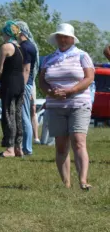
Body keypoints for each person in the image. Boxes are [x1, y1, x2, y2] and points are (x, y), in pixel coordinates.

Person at [39, 23, 94, 191]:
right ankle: (66, 184)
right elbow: (42, 81)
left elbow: (89, 77)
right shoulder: (48, 59)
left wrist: (71, 90)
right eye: (60, 37)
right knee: (61, 145)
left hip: (78, 103)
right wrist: (50, 92)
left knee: (78, 141)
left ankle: (83, 180)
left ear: (72, 39)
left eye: (66, 37)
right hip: (55, 105)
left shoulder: (82, 56)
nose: (63, 40)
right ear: (56, 39)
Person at [0, 21, 26, 157]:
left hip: (9, 83)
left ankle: (10, 148)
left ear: (6, 33)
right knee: (18, 115)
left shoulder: (6, 47)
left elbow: (0, 69)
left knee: (8, 114)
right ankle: (19, 147)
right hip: (20, 83)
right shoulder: (20, 48)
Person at [16, 21, 40, 154]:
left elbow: (26, 69)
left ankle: (27, 148)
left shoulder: (25, 47)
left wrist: (22, 86)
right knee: (25, 114)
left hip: (25, 83)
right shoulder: (29, 46)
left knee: (24, 115)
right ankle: (25, 147)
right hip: (28, 83)